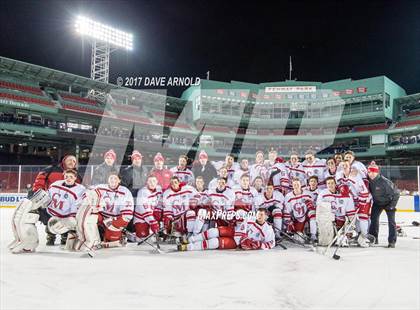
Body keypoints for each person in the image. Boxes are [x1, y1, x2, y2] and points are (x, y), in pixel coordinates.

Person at [179, 208, 275, 251]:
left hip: (236, 243)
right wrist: (244, 239)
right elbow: (241, 230)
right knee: (213, 231)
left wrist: (258, 245)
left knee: (214, 243)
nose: (259, 216)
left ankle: (188, 247)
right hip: (235, 232)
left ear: (266, 217)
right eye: (258, 214)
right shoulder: (251, 219)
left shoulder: (268, 229)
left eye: (262, 215)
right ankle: (189, 240)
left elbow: (271, 243)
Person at [40, 169, 86, 246]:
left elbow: (77, 204)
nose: (68, 179)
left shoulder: (80, 189)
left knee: (65, 227)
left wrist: (72, 216)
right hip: (52, 211)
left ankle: (64, 237)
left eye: (71, 177)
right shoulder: (55, 184)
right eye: (66, 176)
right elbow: (48, 196)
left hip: (66, 214)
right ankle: (51, 237)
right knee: (50, 226)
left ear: (75, 178)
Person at [94, 171, 134, 243]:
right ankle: (94, 237)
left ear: (119, 180)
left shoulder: (125, 192)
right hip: (102, 217)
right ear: (107, 179)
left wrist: (113, 223)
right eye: (111, 178)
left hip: (116, 219)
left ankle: (118, 234)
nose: (113, 180)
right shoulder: (99, 188)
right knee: (90, 217)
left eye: (115, 178)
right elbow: (87, 194)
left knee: (111, 240)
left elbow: (127, 215)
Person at [367, 162, 400, 248]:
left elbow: (396, 193)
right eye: (369, 172)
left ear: (377, 172)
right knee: (373, 219)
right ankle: (373, 238)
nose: (371, 174)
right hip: (377, 203)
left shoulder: (384, 182)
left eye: (374, 172)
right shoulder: (368, 180)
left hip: (389, 203)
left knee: (391, 221)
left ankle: (392, 241)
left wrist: (392, 205)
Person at [283, 177, 317, 243]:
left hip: (306, 216)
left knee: (312, 213)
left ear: (300, 184)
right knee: (298, 235)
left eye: (298, 184)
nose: (296, 186)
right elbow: (287, 211)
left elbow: (314, 206)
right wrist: (289, 221)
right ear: (292, 186)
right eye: (294, 185)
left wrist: (311, 206)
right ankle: (302, 233)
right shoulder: (288, 196)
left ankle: (313, 235)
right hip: (297, 218)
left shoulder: (308, 193)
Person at [134, 175, 162, 239]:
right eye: (150, 181)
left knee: (155, 238)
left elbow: (160, 201)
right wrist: (152, 221)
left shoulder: (159, 189)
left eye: (154, 181)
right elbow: (144, 210)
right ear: (147, 182)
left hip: (152, 217)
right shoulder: (142, 192)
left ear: (157, 181)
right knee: (143, 239)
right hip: (141, 219)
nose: (152, 183)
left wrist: (158, 210)